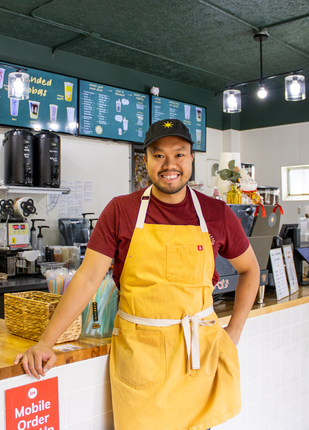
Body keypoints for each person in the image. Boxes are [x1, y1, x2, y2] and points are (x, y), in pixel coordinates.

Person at [15, 119, 260, 430]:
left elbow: (251, 269)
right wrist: (46, 342)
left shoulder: (217, 213)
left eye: (180, 154)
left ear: (192, 159)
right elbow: (88, 278)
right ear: (145, 160)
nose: (170, 165)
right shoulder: (121, 210)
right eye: (159, 155)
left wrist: (233, 332)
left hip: (198, 353)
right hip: (140, 357)